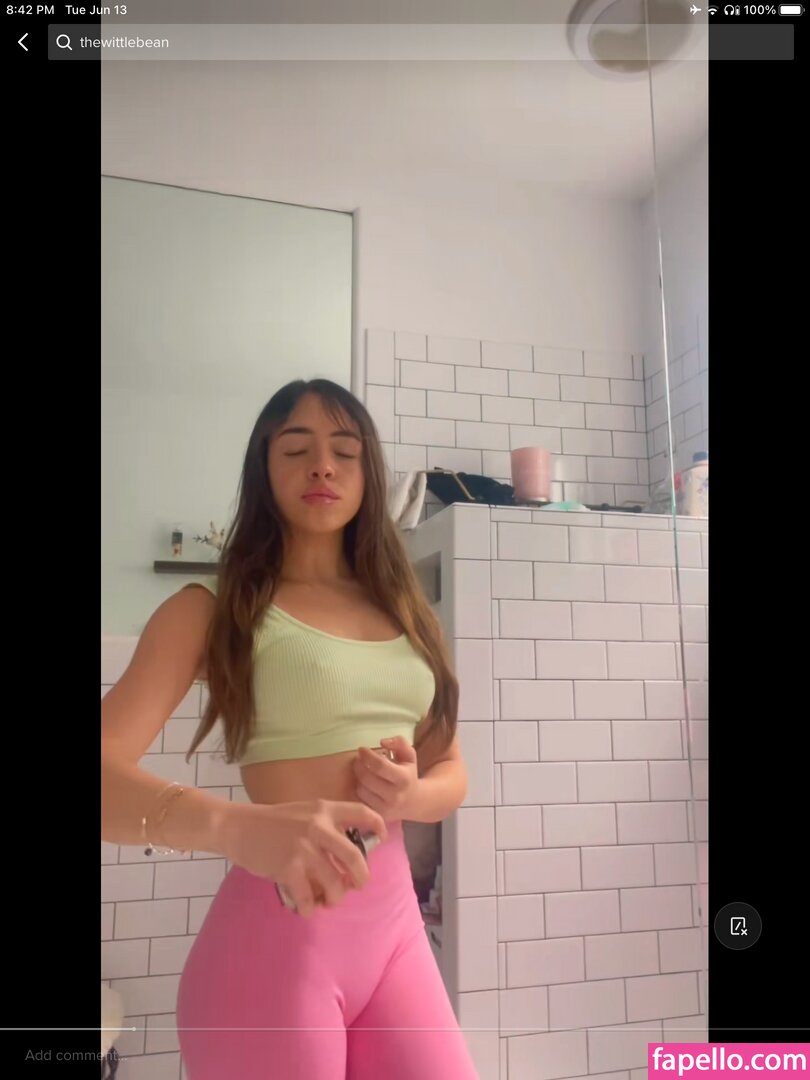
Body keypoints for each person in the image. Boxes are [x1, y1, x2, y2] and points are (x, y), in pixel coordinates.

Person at [101, 378, 480, 1079]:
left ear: (368, 473)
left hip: (396, 941)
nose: (323, 467)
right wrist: (233, 828)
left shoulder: (408, 614)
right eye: (297, 449)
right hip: (271, 954)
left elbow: (451, 768)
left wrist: (411, 796)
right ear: (264, 469)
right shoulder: (214, 609)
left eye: (345, 451)